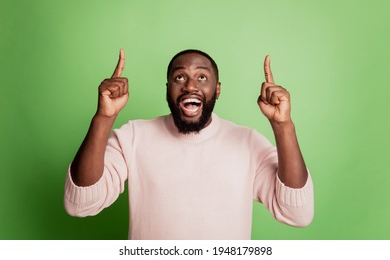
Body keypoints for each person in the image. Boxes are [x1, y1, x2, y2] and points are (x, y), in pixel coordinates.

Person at [64, 49, 314, 240]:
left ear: (217, 90)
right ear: (167, 89)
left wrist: (283, 126)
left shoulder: (247, 142)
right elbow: (80, 204)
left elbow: (297, 214)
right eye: (179, 77)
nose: (190, 85)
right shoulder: (133, 136)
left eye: (202, 77)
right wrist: (104, 118)